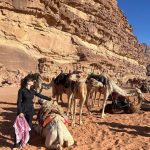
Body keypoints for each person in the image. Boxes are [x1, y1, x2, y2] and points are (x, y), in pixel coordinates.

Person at [13, 74, 52, 149]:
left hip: (30, 110)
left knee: (29, 126)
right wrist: (20, 111)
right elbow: (18, 102)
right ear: (28, 82)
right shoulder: (22, 90)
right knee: (19, 127)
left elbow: (40, 95)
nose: (33, 82)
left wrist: (49, 98)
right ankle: (16, 144)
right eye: (32, 81)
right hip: (23, 110)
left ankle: (25, 140)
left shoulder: (32, 90)